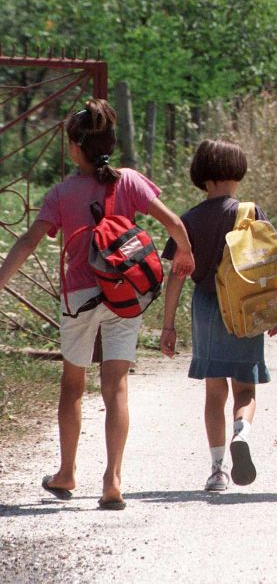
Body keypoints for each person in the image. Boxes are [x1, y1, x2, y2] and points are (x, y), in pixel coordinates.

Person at [0, 99, 194, 510]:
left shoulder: (61, 193)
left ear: (73, 147)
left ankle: (67, 471)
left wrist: (1, 279)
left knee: (73, 386)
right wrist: (185, 254)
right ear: (111, 145)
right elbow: (173, 223)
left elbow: (29, 240)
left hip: (80, 297)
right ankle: (113, 480)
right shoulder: (131, 182)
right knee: (116, 387)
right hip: (125, 295)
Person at [160, 139, 277, 492]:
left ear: (202, 176)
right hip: (246, 306)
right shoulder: (250, 213)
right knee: (246, 386)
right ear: (238, 173)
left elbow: (176, 276)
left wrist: (167, 325)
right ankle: (241, 433)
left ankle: (217, 470)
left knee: (215, 391)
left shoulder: (190, 220)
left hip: (208, 308)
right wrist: (275, 312)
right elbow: (269, 263)